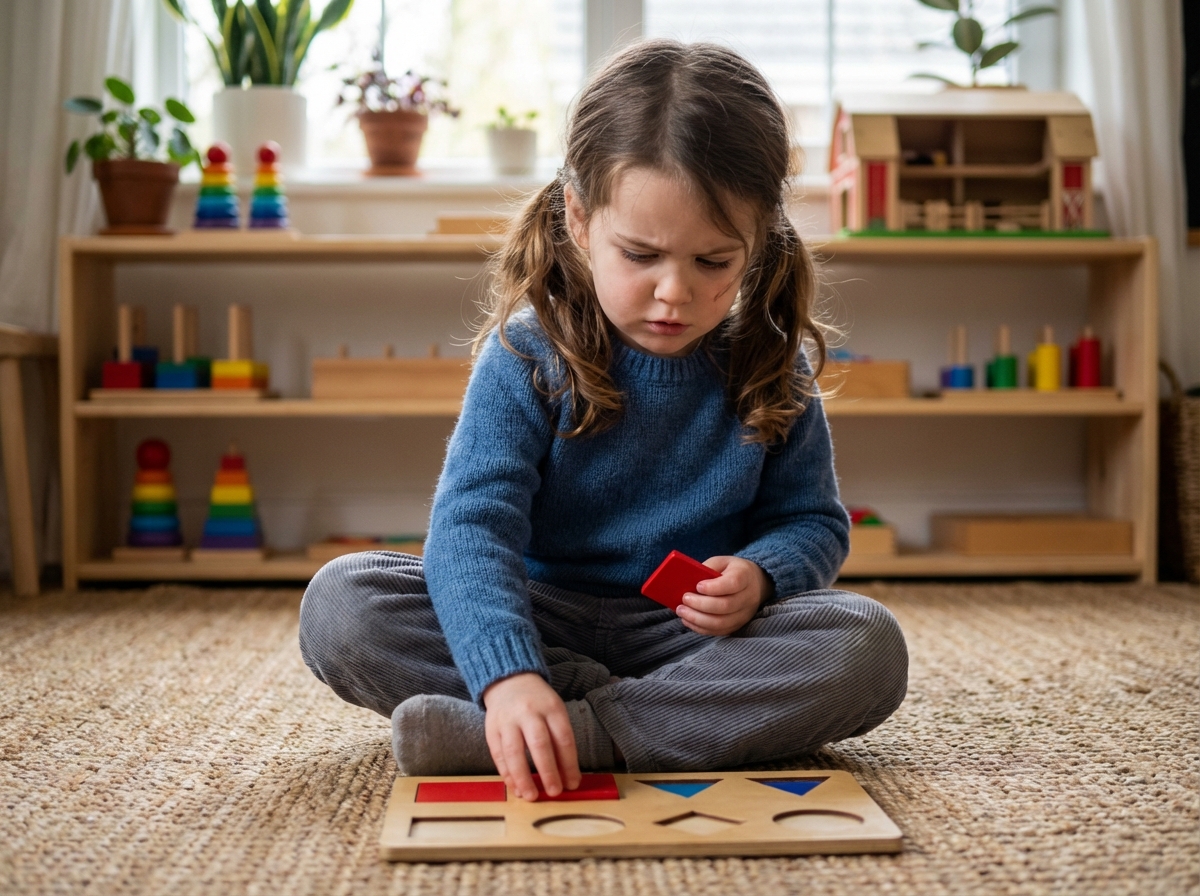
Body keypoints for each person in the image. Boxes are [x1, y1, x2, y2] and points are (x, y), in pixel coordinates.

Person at [299, 38, 908, 802]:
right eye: (640, 254)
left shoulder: (771, 361)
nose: (673, 294)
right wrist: (511, 675)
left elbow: (813, 522)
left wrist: (761, 576)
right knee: (343, 604)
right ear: (580, 220)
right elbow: (471, 530)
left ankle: (575, 735)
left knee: (866, 646)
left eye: (713, 263)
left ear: (759, 244)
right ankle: (574, 716)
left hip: (687, 641)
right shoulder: (527, 355)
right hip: (538, 621)